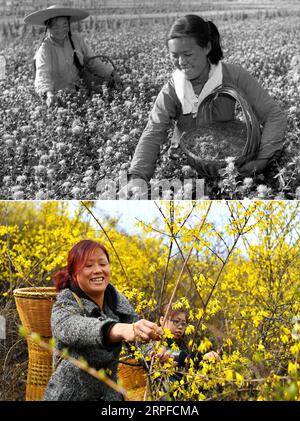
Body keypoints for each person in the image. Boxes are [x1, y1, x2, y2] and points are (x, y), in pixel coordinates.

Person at [127, 14, 287, 189]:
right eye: (174, 55)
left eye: (188, 54)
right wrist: (138, 176)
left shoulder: (233, 75)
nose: (181, 62)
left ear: (207, 47)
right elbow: (154, 130)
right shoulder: (173, 88)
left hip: (231, 159)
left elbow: (274, 116)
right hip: (188, 162)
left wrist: (262, 160)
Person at [43, 240, 163, 401]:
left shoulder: (116, 301)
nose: (98, 270)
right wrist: (117, 329)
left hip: (108, 395)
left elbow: (139, 338)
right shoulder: (65, 303)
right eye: (88, 266)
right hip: (69, 396)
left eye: (103, 264)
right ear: (74, 273)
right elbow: (73, 328)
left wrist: (154, 352)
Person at [24, 5, 121, 107]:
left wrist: (111, 73)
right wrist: (49, 94)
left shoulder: (76, 40)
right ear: (48, 27)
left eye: (65, 25)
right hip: (60, 97)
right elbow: (42, 73)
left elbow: (93, 62)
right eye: (55, 26)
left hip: (82, 91)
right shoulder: (45, 48)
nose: (61, 29)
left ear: (69, 25)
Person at [142, 304, 219, 400]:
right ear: (162, 320)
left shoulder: (181, 344)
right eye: (176, 321)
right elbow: (176, 356)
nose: (180, 327)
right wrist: (201, 357)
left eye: (184, 324)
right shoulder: (151, 338)